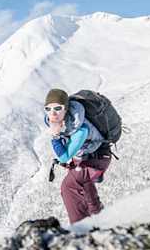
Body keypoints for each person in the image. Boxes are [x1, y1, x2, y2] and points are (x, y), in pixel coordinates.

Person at [44, 88, 113, 224]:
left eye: (58, 108)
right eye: (48, 109)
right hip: (91, 157)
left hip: (97, 158)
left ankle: (80, 228)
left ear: (66, 108)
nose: (53, 113)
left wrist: (55, 136)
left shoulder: (80, 129)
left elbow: (64, 156)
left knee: (69, 186)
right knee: (82, 183)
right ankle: (98, 219)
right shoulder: (61, 121)